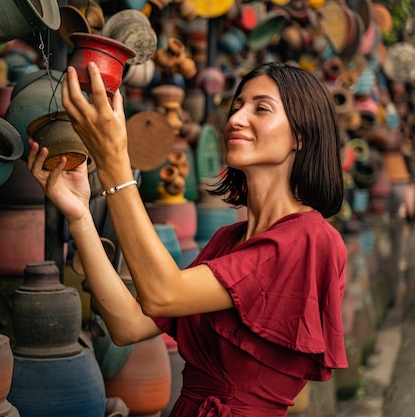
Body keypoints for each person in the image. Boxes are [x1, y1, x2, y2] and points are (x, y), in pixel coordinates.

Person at [27, 61, 348, 417]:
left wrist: (115, 162)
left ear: (301, 136)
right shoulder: (228, 239)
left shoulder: (310, 239)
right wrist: (80, 216)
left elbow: (163, 295)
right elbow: (128, 325)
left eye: (261, 108)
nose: (236, 119)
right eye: (237, 106)